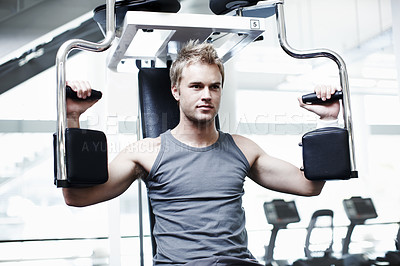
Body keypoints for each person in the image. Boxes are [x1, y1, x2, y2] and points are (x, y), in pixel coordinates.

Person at [63, 40, 341, 265]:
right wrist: (72, 117)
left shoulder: (243, 148)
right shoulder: (146, 153)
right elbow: (77, 196)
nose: (206, 95)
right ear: (176, 91)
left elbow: (308, 186)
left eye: (214, 86)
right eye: (196, 86)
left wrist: (327, 121)